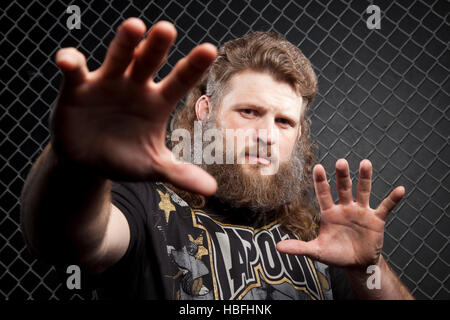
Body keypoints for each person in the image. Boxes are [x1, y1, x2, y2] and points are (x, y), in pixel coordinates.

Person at [20, 18, 413, 300]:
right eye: (248, 112)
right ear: (205, 109)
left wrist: (367, 270)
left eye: (283, 121)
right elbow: (69, 242)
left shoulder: (318, 234)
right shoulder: (145, 202)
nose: (266, 135)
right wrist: (76, 163)